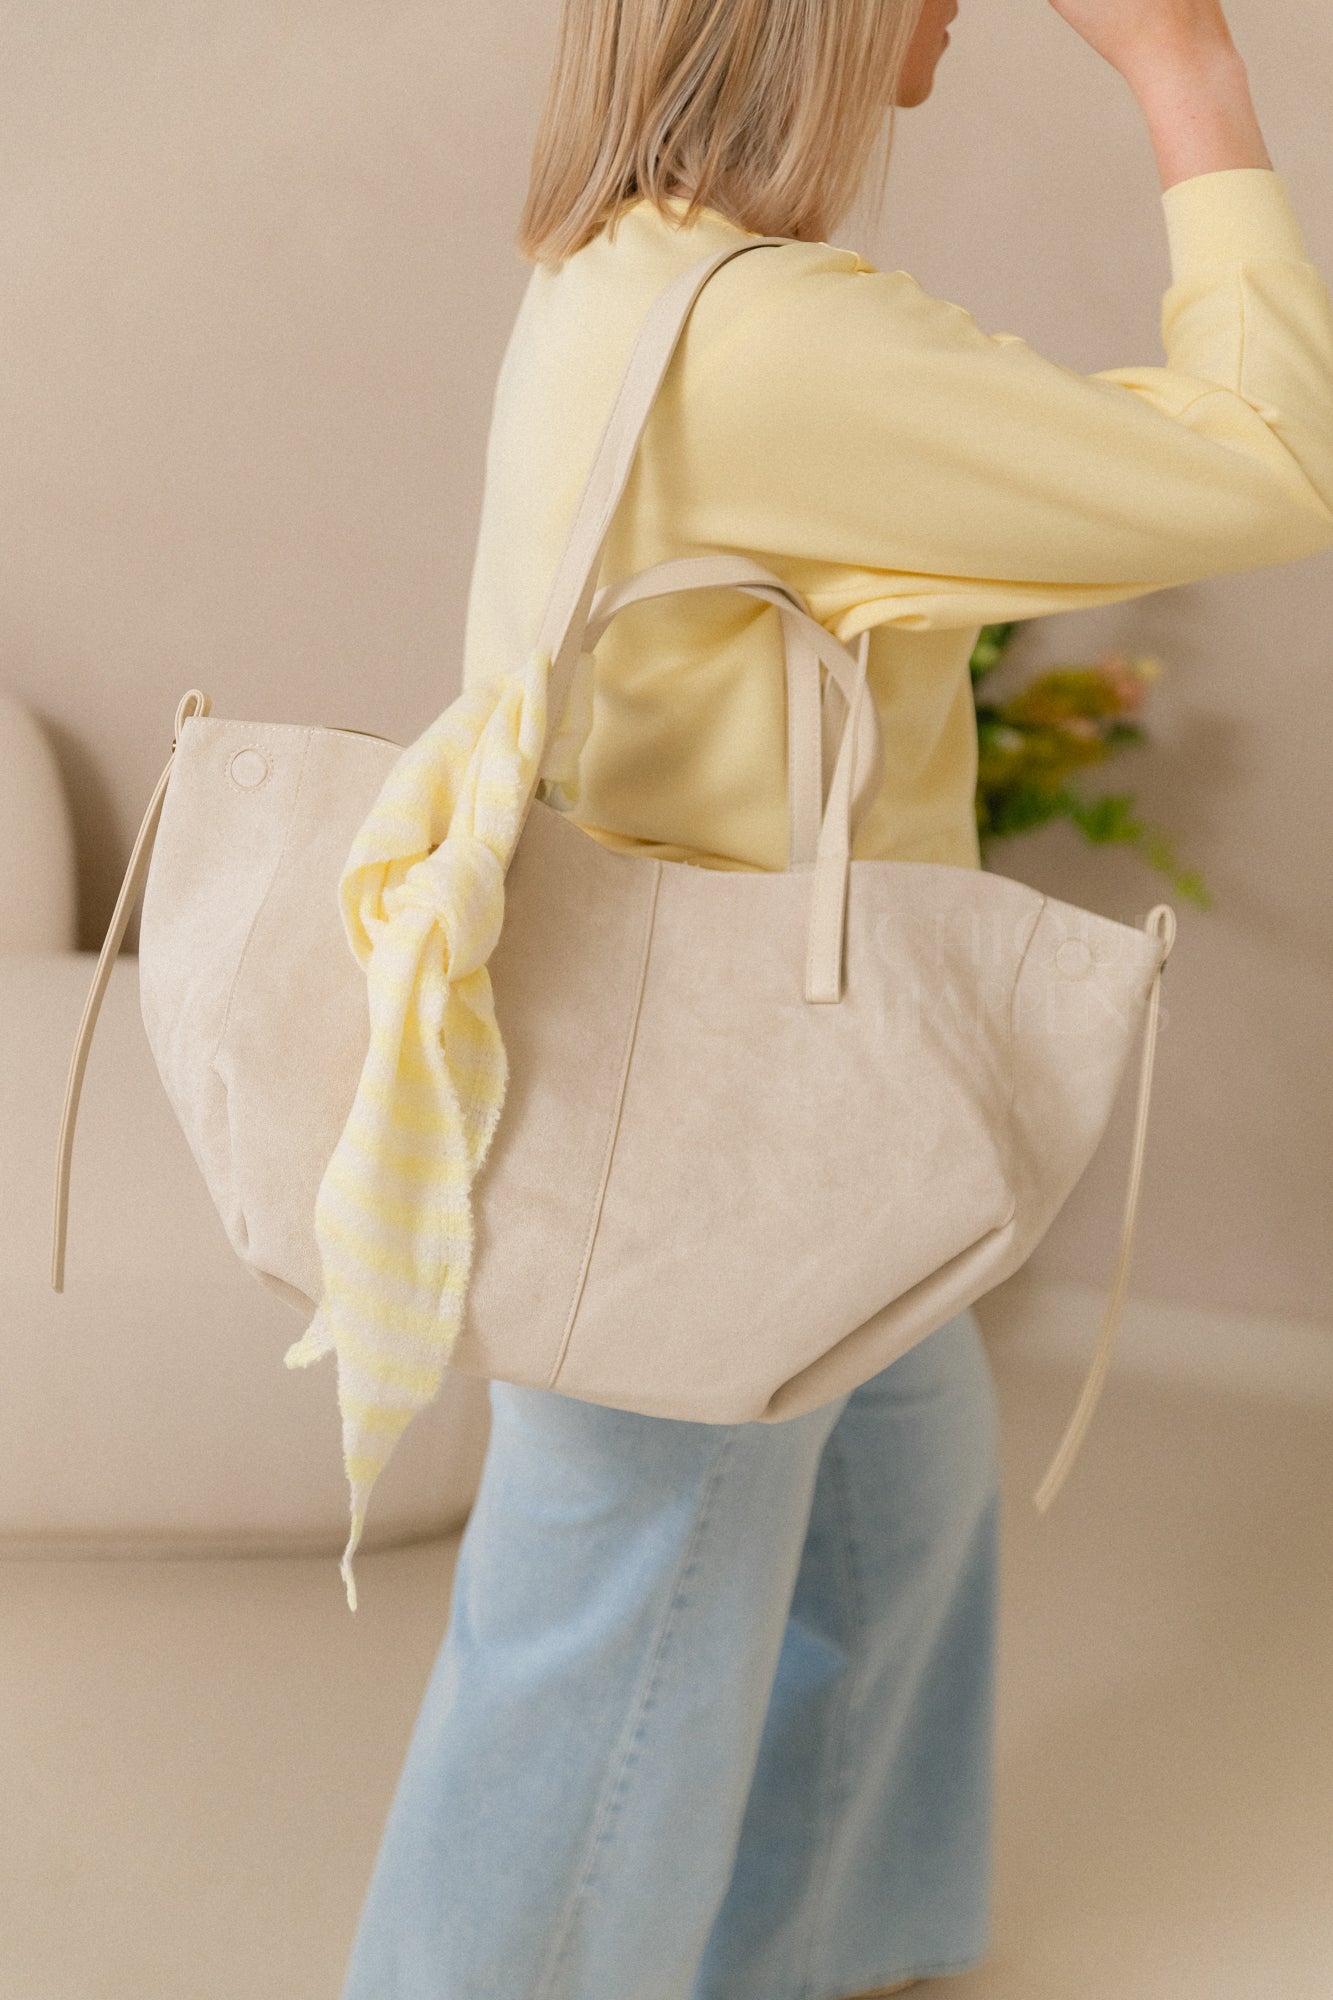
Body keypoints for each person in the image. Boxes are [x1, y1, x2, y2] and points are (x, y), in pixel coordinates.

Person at [340, 2, 1333, 1995]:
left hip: (784, 1093)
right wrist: (1185, 70)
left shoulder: (629, 268)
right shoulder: (771, 343)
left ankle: (811, 1947)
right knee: (597, 1651)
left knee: (888, 1506)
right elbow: (1277, 463)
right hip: (729, 1130)